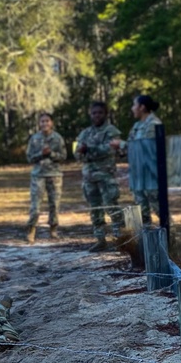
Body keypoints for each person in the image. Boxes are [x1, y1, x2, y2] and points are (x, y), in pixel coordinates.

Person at [75, 100, 127, 252]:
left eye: (100, 113)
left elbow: (110, 149)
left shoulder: (112, 131)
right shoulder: (85, 133)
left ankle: (121, 239)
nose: (96, 115)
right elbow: (77, 152)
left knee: (111, 207)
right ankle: (100, 239)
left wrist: (88, 150)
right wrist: (82, 152)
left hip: (105, 176)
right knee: (95, 209)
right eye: (94, 113)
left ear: (105, 114)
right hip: (89, 177)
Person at [24, 113, 68, 243]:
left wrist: (51, 154)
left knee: (54, 204)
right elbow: (29, 157)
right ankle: (31, 230)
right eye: (42, 121)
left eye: (47, 121)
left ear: (52, 123)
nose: (45, 124)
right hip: (38, 175)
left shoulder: (57, 138)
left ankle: (53, 229)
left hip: (55, 175)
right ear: (39, 123)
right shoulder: (34, 138)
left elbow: (63, 156)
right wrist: (41, 154)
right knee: (35, 206)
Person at [127, 94, 163, 225]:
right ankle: (146, 242)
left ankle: (171, 239)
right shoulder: (137, 126)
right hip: (138, 175)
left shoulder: (154, 125)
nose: (132, 108)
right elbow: (131, 146)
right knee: (142, 213)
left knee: (160, 210)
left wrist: (121, 144)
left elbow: (146, 148)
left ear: (142, 107)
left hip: (151, 175)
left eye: (134, 105)